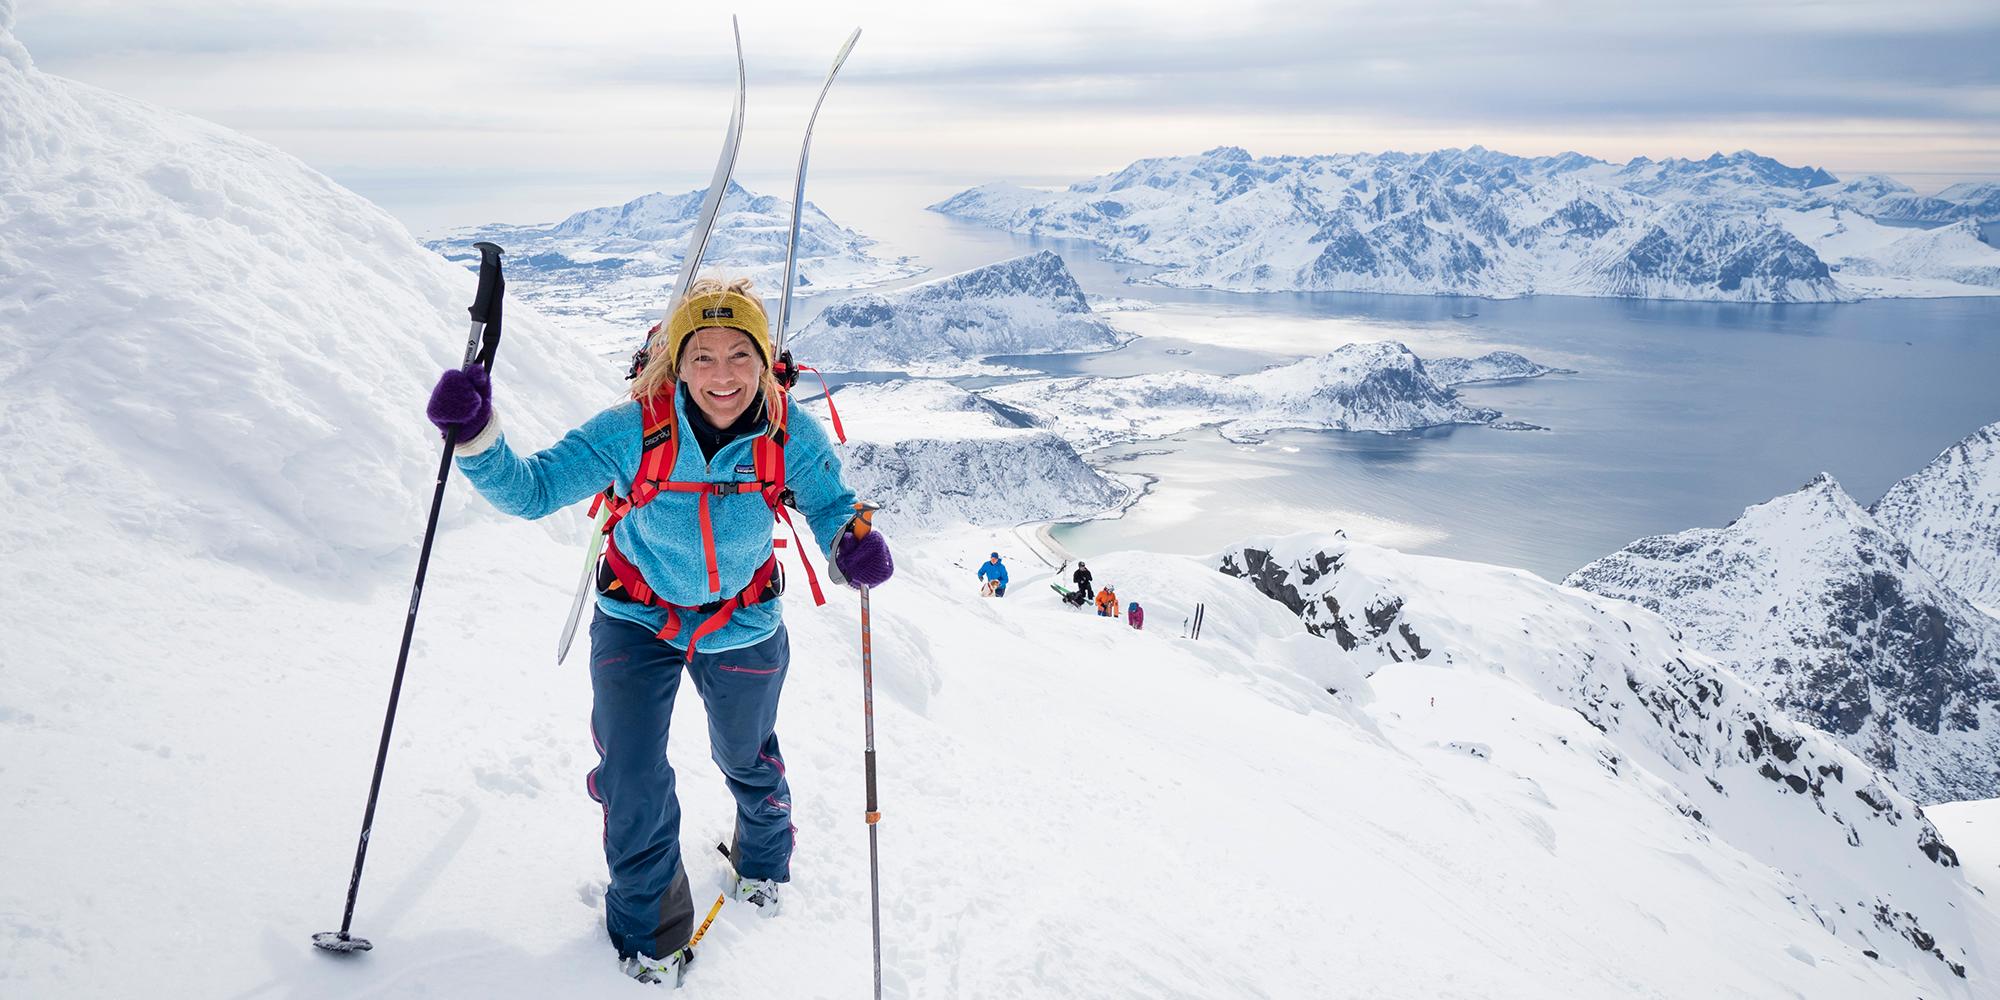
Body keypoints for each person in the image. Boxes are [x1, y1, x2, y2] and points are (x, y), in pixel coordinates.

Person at [425, 276, 894, 987]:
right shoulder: (631, 429)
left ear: (765, 362)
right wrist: (479, 437)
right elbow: (533, 491)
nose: (723, 375)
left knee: (745, 753)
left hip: (743, 617)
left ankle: (764, 859)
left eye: (740, 354)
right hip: (636, 618)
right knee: (632, 776)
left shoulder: (785, 431)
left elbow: (829, 503)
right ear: (675, 363)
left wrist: (847, 544)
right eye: (702, 356)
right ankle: (651, 929)